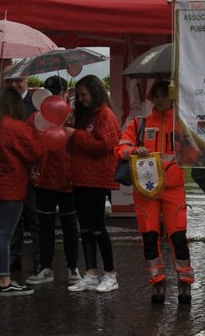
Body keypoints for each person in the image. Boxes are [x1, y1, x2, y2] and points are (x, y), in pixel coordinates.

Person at [118, 79, 197, 305]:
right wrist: (134, 150)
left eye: (165, 94)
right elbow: (120, 149)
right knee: (149, 237)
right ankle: (157, 282)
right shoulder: (139, 123)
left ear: (172, 96)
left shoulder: (182, 124)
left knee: (178, 237)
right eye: (157, 94)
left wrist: (187, 144)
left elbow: (194, 156)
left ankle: (185, 283)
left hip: (174, 189)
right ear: (152, 97)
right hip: (146, 190)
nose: (161, 98)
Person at [0, 87, 42, 296]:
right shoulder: (18, 127)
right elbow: (35, 153)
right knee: (5, 234)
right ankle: (5, 280)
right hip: (11, 187)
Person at [65, 75, 121, 293]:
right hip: (80, 177)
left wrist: (76, 135)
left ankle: (110, 273)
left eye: (84, 95)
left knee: (98, 227)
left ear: (95, 93)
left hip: (97, 179)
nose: (80, 99)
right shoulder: (83, 115)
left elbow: (105, 145)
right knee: (86, 228)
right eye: (78, 96)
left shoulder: (105, 114)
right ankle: (91, 272)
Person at [27, 84, 81, 287]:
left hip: (68, 179)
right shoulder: (35, 118)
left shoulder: (73, 116)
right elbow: (28, 141)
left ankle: (72, 267)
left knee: (69, 226)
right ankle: (46, 267)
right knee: (46, 226)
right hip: (45, 178)